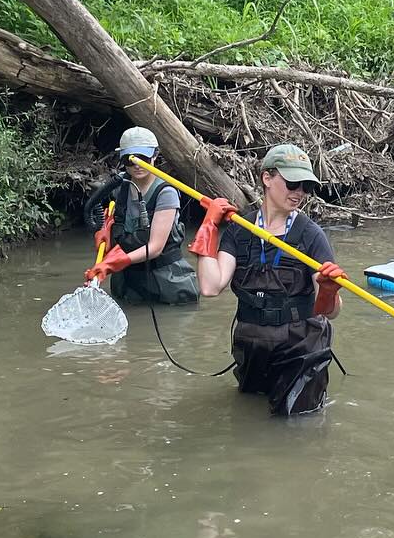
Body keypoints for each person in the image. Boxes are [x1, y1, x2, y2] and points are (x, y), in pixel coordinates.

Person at [189, 143, 345, 416]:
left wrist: (330, 292)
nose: (299, 193)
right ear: (267, 178)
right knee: (247, 415)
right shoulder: (240, 231)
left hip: (301, 346)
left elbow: (330, 313)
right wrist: (209, 227)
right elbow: (210, 286)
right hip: (252, 343)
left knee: (293, 424)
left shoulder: (311, 235)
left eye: (306, 187)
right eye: (293, 183)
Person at [83, 127, 198, 305]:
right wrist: (105, 230)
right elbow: (119, 222)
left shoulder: (165, 192)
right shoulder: (121, 185)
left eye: (143, 158)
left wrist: (111, 264)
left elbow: (155, 247)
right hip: (129, 281)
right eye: (130, 160)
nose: (137, 165)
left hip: (165, 281)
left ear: (155, 155)